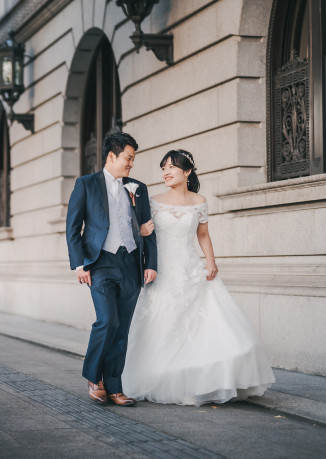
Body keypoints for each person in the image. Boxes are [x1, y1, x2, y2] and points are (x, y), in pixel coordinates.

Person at [122, 149, 275, 405]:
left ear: (187, 171)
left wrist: (211, 261)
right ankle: (162, 377)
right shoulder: (153, 199)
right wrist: (140, 230)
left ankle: (203, 381)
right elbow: (138, 232)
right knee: (163, 324)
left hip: (191, 268)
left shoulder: (199, 201)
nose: (166, 172)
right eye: (163, 168)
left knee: (204, 325)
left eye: (172, 167)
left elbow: (203, 235)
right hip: (162, 272)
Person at [66, 132, 157, 407]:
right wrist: (80, 263)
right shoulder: (86, 184)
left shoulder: (137, 188)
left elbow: (148, 229)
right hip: (100, 263)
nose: (131, 164)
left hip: (130, 264)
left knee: (122, 328)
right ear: (111, 156)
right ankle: (95, 379)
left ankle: (115, 386)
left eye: (133, 159)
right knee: (108, 321)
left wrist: (150, 264)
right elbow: (73, 227)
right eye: (128, 158)